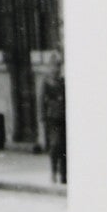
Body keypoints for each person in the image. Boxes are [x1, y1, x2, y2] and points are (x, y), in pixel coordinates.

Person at [39, 49, 67, 184]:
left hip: (63, 118)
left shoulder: (63, 81)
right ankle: (53, 172)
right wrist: (43, 116)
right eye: (55, 65)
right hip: (52, 118)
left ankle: (64, 175)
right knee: (55, 145)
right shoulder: (47, 82)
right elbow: (42, 101)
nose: (57, 69)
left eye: (59, 65)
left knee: (65, 147)